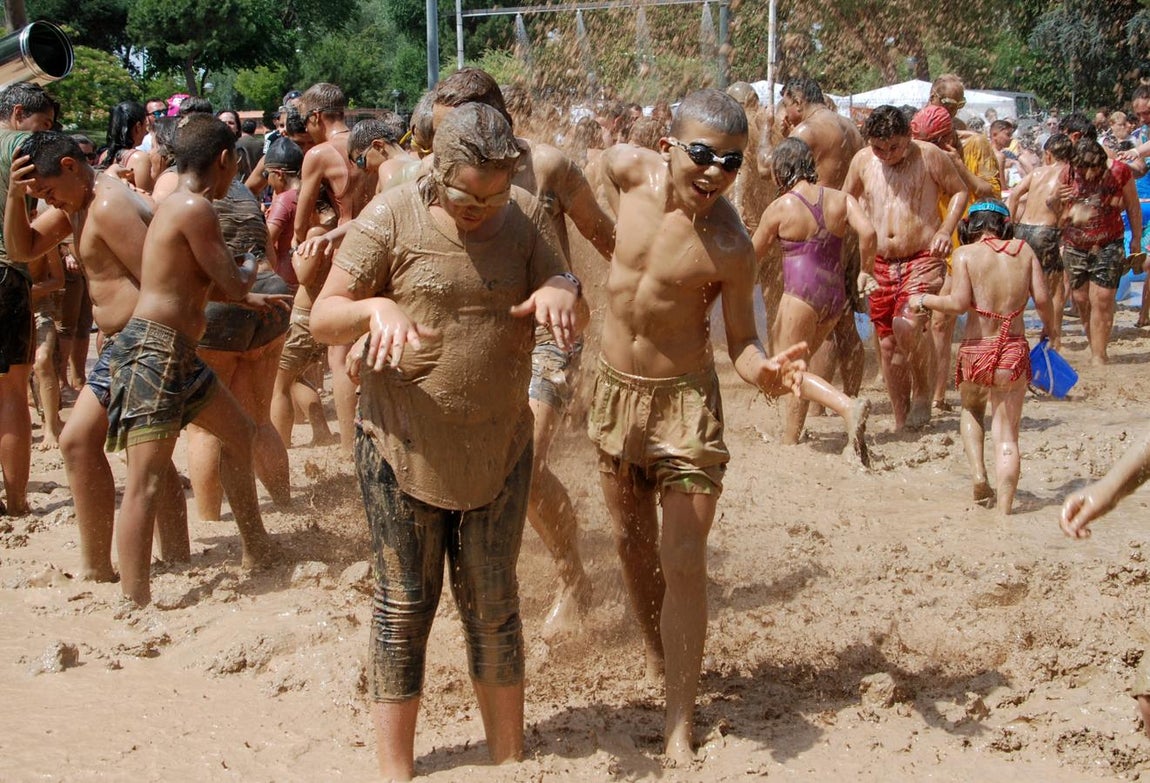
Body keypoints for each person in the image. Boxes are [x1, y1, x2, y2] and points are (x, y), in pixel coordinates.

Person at [309, 102, 585, 782]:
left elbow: (561, 277)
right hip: (402, 442)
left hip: (497, 443)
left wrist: (560, 288)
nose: (481, 208)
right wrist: (376, 307)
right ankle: (395, 768)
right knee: (404, 604)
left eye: (494, 194)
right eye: (468, 194)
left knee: (494, 600)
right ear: (437, 168)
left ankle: (510, 759)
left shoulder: (519, 218)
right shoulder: (391, 215)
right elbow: (322, 316)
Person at [595, 88, 805, 762]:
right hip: (615, 396)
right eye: (702, 155)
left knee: (681, 559)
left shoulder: (731, 245)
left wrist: (763, 371)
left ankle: (680, 719)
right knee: (631, 542)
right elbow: (574, 181)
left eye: (731, 162)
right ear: (668, 148)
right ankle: (662, 657)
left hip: (687, 404)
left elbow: (741, 342)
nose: (714, 171)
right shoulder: (627, 171)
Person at [429, 67, 616, 632]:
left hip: (547, 336)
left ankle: (573, 580)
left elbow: (605, 238)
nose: (440, 150)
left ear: (495, 121)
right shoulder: (437, 169)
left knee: (524, 463)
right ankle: (481, 583)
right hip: (473, 336)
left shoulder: (550, 167)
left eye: (452, 133)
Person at [104, 114, 276, 605]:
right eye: (234, 170)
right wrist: (251, 264)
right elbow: (231, 281)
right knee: (147, 480)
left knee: (240, 433)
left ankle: (257, 547)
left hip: (174, 351)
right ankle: (134, 602)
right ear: (225, 160)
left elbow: (192, 281)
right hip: (155, 350)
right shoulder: (194, 208)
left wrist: (246, 294)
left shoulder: (179, 204)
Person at [4, 130, 189, 581]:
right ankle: (162, 558)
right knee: (132, 450)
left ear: (70, 167)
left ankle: (106, 569)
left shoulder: (107, 205)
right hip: (127, 343)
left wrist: (147, 347)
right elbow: (21, 249)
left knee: (97, 444)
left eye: (46, 192)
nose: (48, 201)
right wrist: (15, 196)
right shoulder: (77, 203)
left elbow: (158, 282)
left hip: (142, 340)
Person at [917, 201, 1053, 514]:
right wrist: (1050, 330)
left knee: (972, 410)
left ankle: (979, 475)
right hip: (1013, 350)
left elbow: (958, 303)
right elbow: (1043, 299)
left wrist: (924, 299)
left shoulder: (964, 254)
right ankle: (1005, 513)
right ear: (1004, 225)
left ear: (970, 227)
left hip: (977, 349)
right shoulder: (1023, 250)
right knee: (1007, 438)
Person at [844, 105, 968, 431]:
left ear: (909, 136)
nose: (886, 154)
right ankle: (901, 420)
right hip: (880, 262)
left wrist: (945, 230)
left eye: (894, 147)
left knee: (907, 326)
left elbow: (958, 192)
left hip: (923, 256)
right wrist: (860, 228)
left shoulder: (929, 156)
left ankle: (924, 392)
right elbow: (846, 199)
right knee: (886, 344)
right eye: (878, 147)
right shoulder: (862, 160)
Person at [752, 137, 876, 462]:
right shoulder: (840, 199)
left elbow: (751, 257)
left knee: (788, 372)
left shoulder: (781, 207)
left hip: (799, 296)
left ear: (781, 171)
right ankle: (791, 440)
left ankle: (847, 407)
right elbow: (869, 233)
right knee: (800, 371)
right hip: (834, 298)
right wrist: (866, 271)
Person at [293, 82, 365, 453]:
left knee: (339, 354)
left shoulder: (320, 154)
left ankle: (351, 448)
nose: (305, 128)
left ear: (317, 117)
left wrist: (302, 241)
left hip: (349, 253)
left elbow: (300, 217)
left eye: (305, 121)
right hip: (387, 243)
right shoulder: (370, 140)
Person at [0, 81, 59, 517]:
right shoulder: (17, 142)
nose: (43, 135)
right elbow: (51, 159)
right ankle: (16, 502)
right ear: (18, 112)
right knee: (11, 394)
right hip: (6, 273)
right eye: (43, 125)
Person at [1057, 137, 1142, 365]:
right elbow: (1056, 213)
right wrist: (1058, 201)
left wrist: (1135, 239)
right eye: (1083, 170)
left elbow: (1133, 205)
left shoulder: (1120, 172)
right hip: (1075, 244)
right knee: (1082, 299)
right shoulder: (1067, 173)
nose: (1088, 176)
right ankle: (1094, 342)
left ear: (1101, 164)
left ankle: (1099, 355)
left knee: (1103, 299)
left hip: (1110, 241)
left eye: (1093, 170)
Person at [1007, 133, 1072, 348]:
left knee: (1021, 287)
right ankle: (1054, 337)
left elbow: (1014, 195)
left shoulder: (1036, 173)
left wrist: (1008, 225)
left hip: (1023, 230)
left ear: (1048, 154)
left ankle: (1014, 335)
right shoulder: (1068, 173)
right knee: (1055, 290)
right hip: (1046, 232)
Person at [102, 101, 153, 193]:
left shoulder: (105, 154)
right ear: (138, 126)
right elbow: (146, 197)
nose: (146, 131)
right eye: (146, 125)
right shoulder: (139, 158)